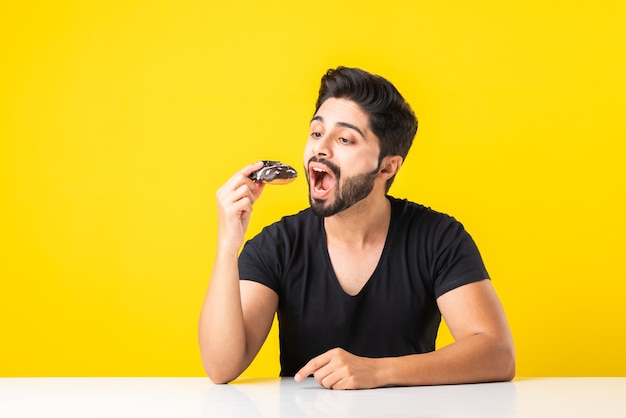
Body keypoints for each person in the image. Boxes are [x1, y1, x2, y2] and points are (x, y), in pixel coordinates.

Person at [198, 66, 515, 390]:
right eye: (317, 133)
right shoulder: (277, 246)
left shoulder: (438, 239)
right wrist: (227, 247)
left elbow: (497, 353)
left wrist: (377, 373)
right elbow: (221, 367)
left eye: (345, 139)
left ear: (387, 166)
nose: (321, 148)